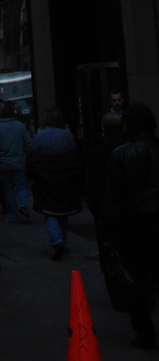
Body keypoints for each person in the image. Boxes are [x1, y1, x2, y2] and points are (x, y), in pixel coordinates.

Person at [103, 102, 159, 350]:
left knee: (136, 279)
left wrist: (110, 233)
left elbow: (113, 200)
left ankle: (145, 332)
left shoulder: (120, 154)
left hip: (134, 224)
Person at [27, 106, 83, 261]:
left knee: (49, 211)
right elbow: (74, 155)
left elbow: (33, 156)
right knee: (63, 211)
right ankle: (62, 241)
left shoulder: (39, 137)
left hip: (46, 179)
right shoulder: (67, 136)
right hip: (65, 178)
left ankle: (56, 240)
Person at [0, 102, 32, 224]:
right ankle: (24, 205)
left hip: (4, 162)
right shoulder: (20, 126)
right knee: (21, 187)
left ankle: (12, 216)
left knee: (8, 189)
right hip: (19, 161)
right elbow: (29, 143)